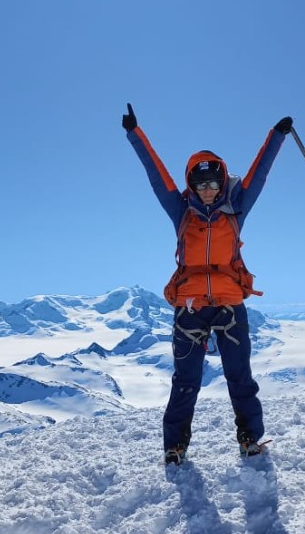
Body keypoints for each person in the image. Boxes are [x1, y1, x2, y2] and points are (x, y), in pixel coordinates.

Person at [122, 103, 293, 465]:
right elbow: (157, 176)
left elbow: (259, 173)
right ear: (191, 186)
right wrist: (135, 135)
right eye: (200, 185)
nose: (208, 191)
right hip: (190, 306)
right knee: (185, 380)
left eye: (214, 183)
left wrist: (277, 136)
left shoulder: (238, 206)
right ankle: (175, 446)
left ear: (222, 180)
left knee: (239, 377)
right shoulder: (180, 210)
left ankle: (250, 439)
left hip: (229, 303)